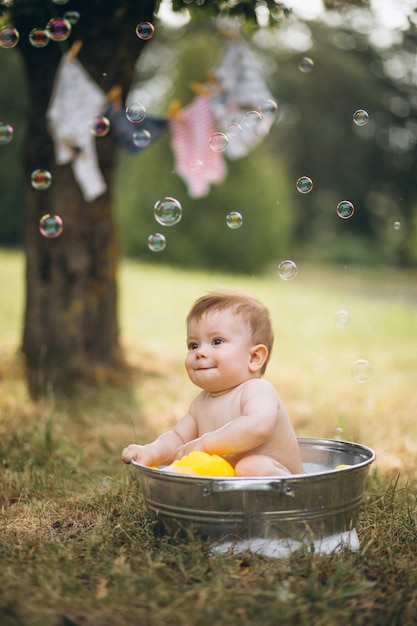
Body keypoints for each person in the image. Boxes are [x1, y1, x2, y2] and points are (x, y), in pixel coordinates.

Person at [121, 290, 304, 476]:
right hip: (235, 487)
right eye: (193, 345)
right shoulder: (201, 403)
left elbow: (257, 428)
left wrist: (204, 443)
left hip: (284, 482)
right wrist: (152, 451)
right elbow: (177, 440)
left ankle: (296, 498)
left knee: (251, 466)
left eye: (217, 341)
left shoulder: (257, 390)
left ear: (255, 357)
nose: (200, 352)